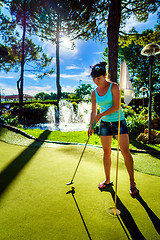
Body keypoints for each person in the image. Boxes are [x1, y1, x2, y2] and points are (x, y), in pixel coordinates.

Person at [88, 61, 138, 195]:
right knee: (106, 152)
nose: (96, 81)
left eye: (98, 78)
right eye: (93, 79)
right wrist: (91, 125)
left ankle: (132, 182)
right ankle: (108, 179)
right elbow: (93, 111)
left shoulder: (114, 87)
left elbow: (116, 106)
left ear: (104, 75)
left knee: (125, 152)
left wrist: (101, 115)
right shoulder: (94, 93)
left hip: (119, 122)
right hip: (104, 124)